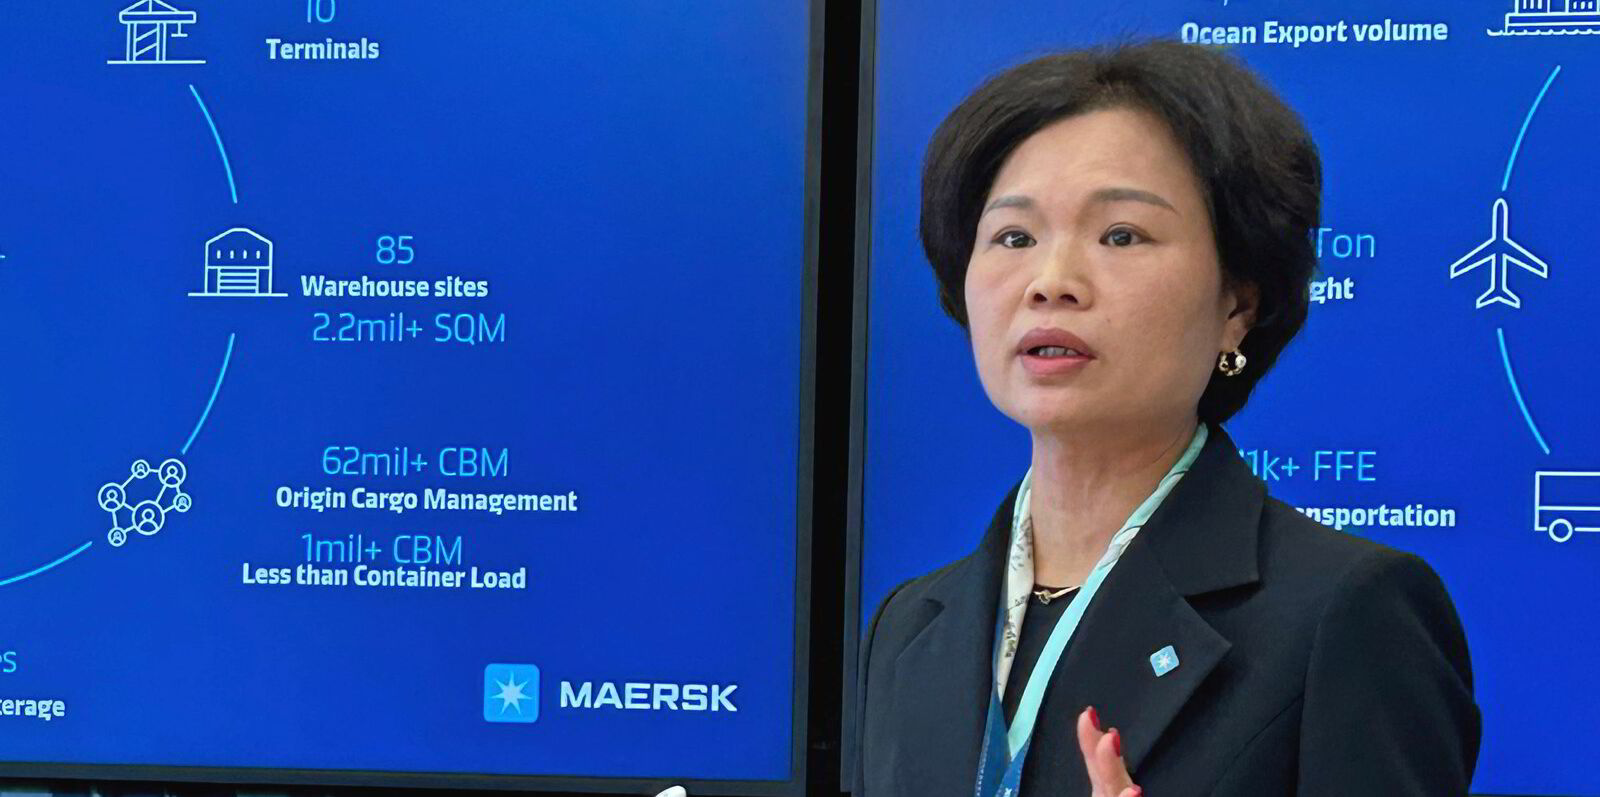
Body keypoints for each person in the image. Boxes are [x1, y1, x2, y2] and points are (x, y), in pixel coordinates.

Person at [848, 40, 1480, 796]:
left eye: (1122, 235)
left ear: (1237, 305)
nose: (1051, 281)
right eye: (1014, 237)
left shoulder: (1349, 612)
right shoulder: (911, 626)